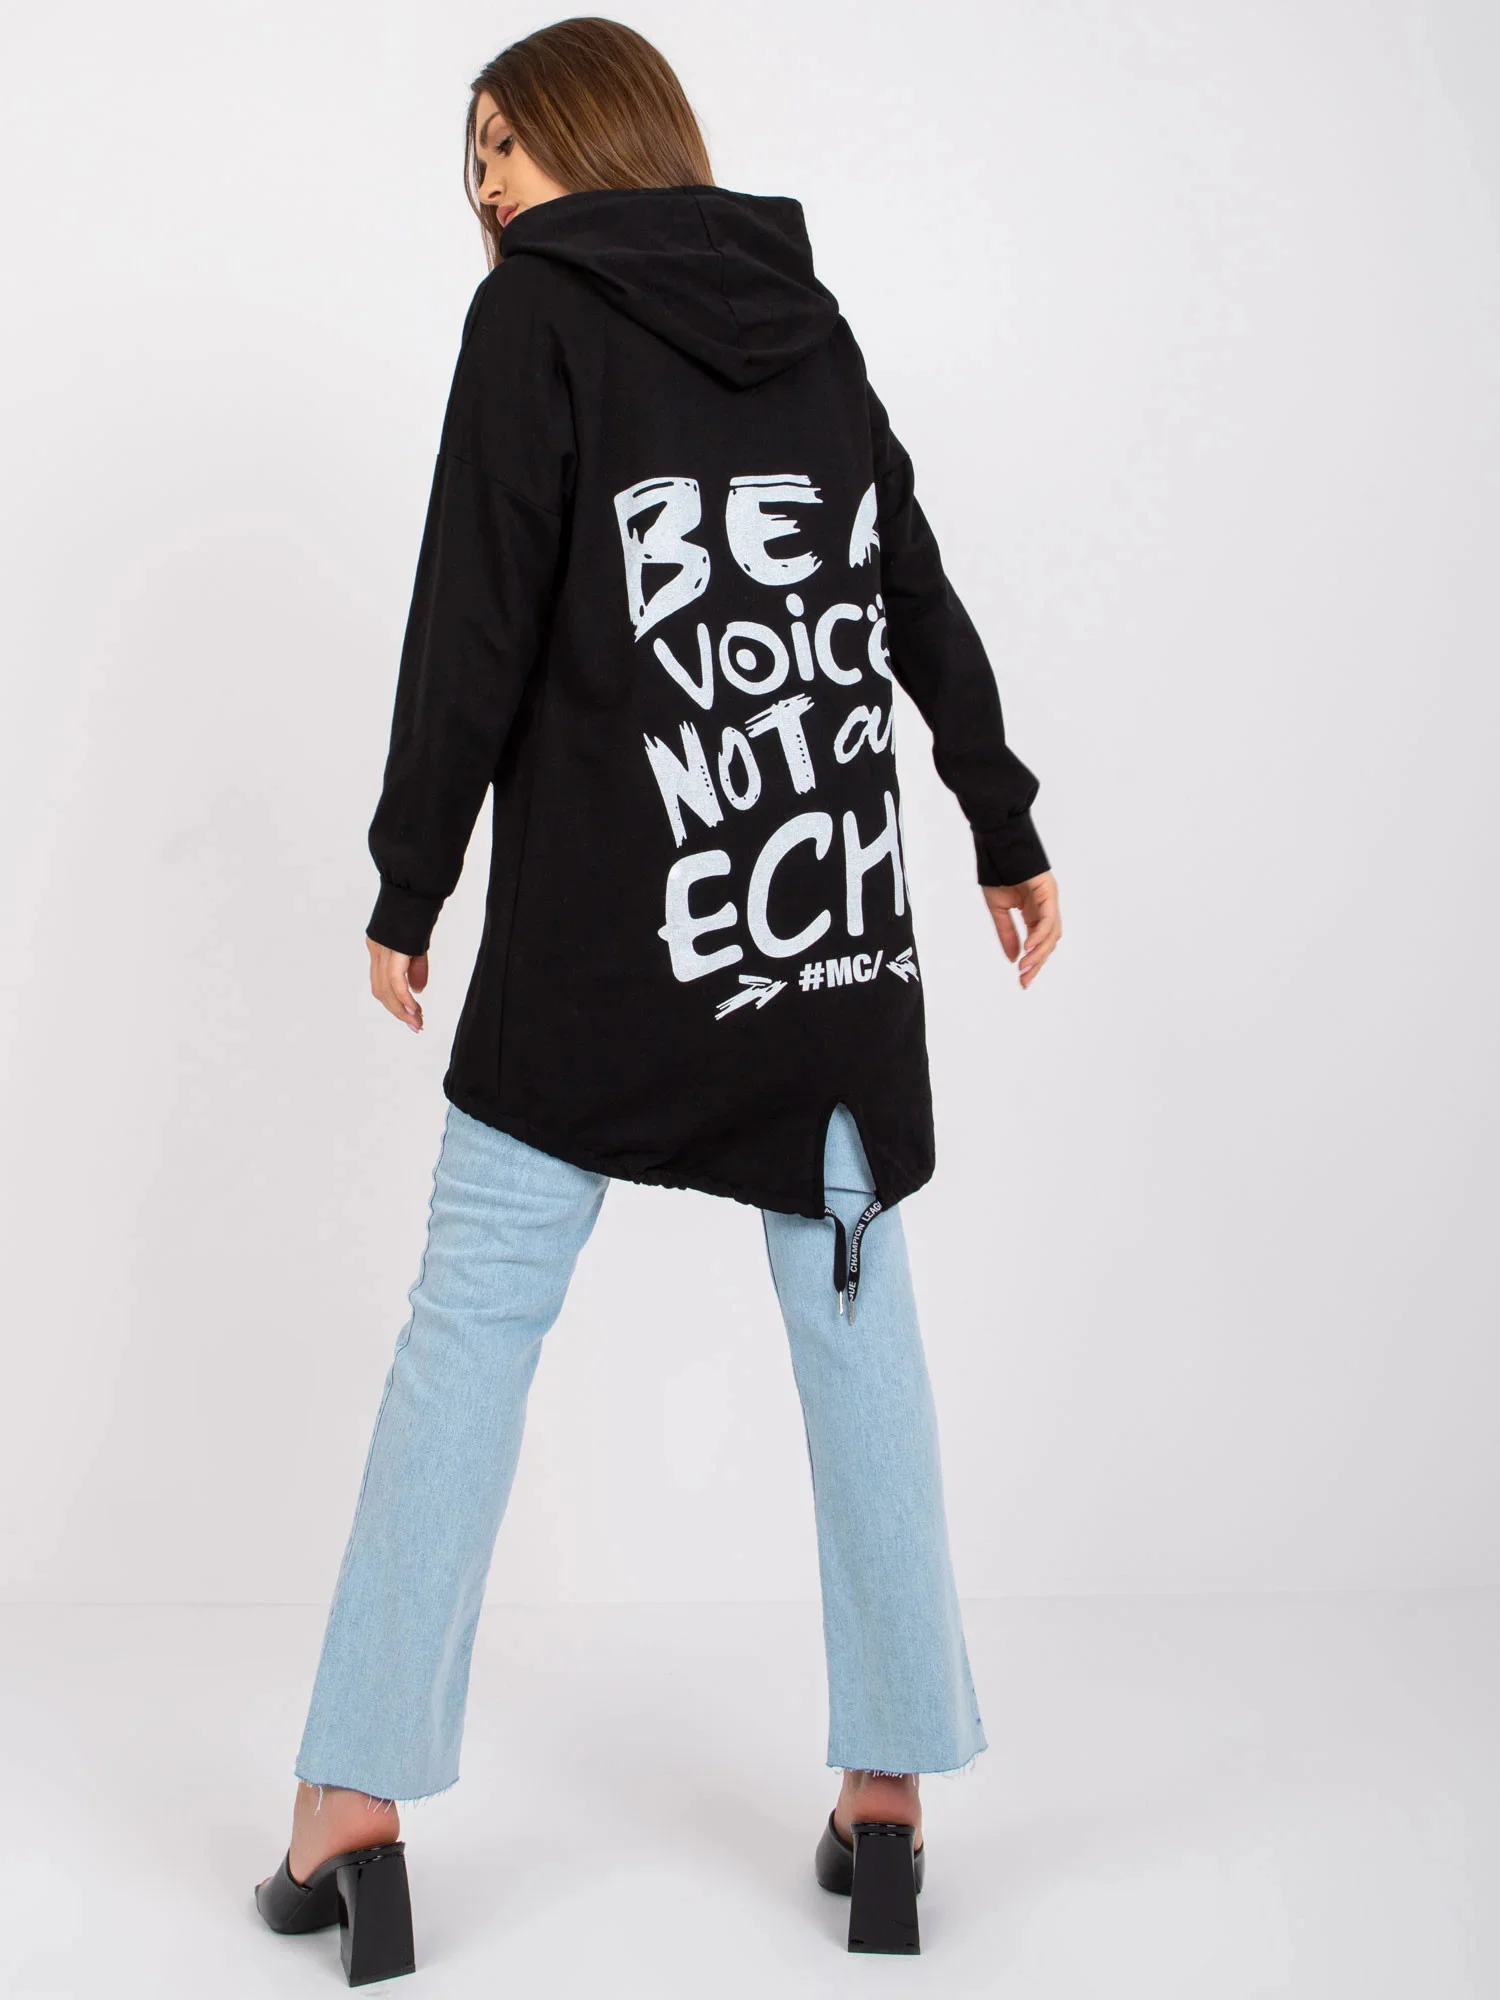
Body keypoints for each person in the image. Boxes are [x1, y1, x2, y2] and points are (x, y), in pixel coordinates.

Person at [255, 14, 1061, 1981]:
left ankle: (352, 1807)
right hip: (816, 929)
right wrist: (999, 818)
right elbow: (907, 584)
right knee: (856, 1314)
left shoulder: (533, 318)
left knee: (474, 1319)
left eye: (506, 143)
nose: (485, 186)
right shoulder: (808, 318)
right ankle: (890, 1795)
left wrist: (412, 873)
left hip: (612, 942)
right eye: (468, 160)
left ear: (596, 137)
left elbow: (473, 614)